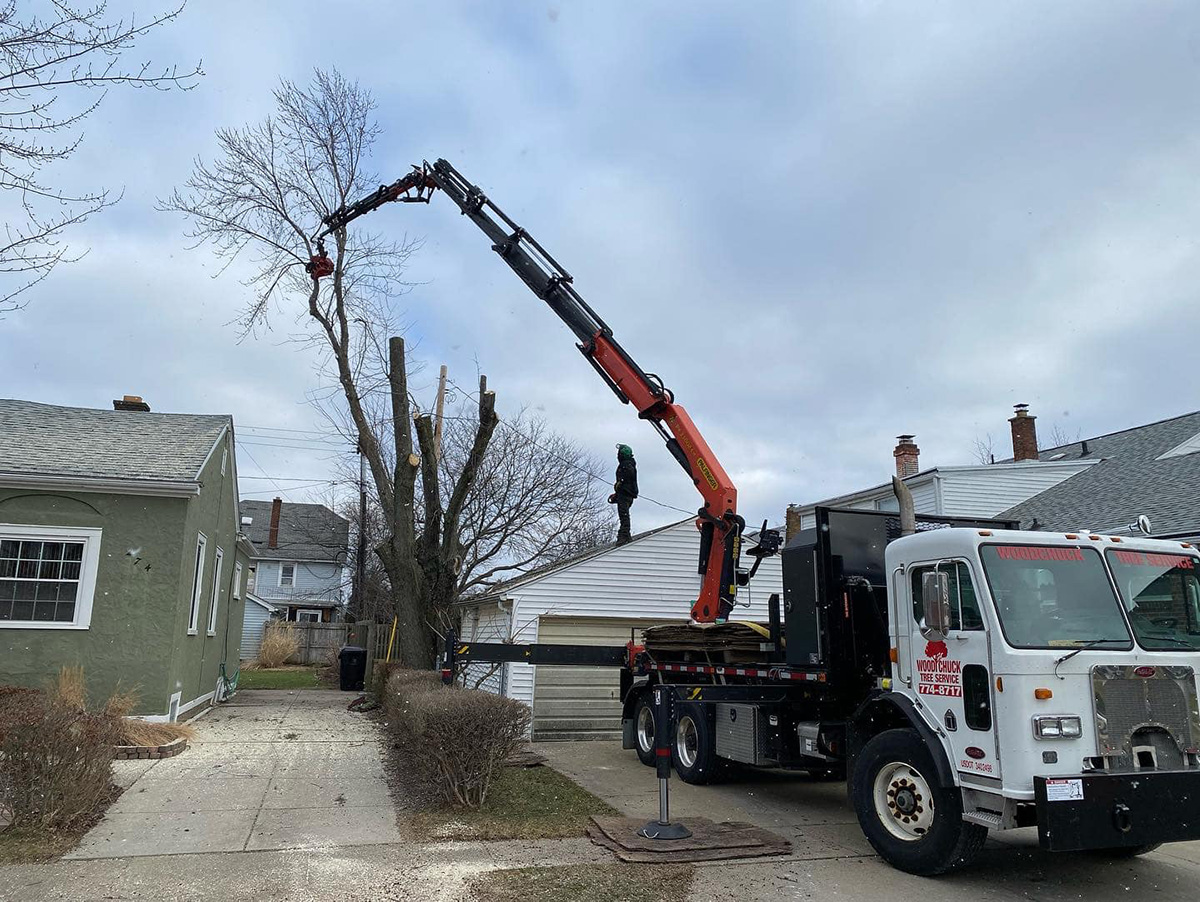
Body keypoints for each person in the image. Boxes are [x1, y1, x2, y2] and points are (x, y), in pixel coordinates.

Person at [609, 444, 638, 545]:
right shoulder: (629, 463)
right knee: (624, 515)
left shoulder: (626, 465)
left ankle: (624, 535)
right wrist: (617, 493)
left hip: (625, 494)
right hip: (625, 493)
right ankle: (625, 534)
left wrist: (620, 483)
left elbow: (628, 476)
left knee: (624, 515)